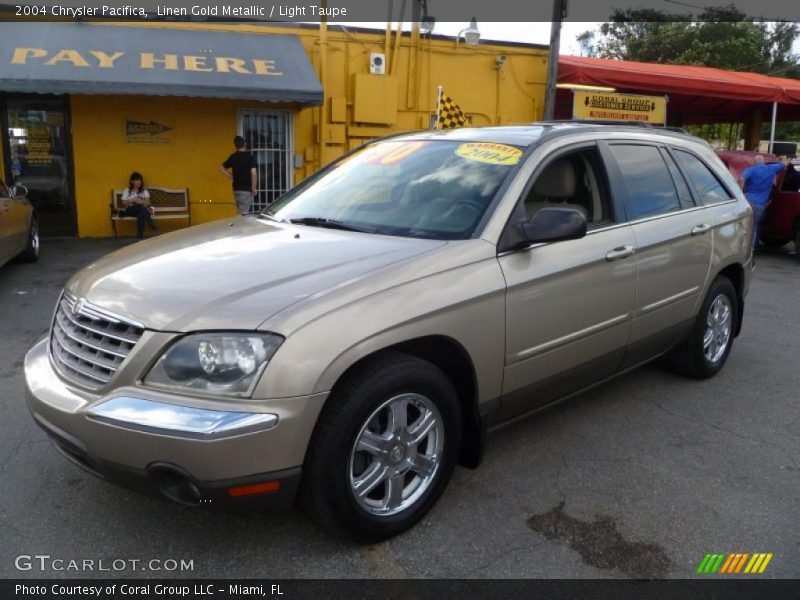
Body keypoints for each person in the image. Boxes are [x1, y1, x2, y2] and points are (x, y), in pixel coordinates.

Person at [738, 155, 790, 249]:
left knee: (746, 226)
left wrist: (741, 194)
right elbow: (785, 163)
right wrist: (780, 159)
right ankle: (752, 248)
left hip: (748, 201)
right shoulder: (771, 168)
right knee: (754, 226)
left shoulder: (751, 170)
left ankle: (744, 248)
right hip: (760, 204)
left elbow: (741, 179)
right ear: (764, 161)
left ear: (754, 162)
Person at [220, 136, 257, 215]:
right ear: (245, 144)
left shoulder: (233, 157)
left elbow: (222, 167)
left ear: (235, 146)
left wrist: (231, 176)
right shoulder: (250, 157)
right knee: (244, 215)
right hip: (246, 190)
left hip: (236, 189)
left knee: (240, 214)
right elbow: (254, 174)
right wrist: (253, 188)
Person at [121, 171, 156, 240]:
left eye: (140, 180)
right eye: (137, 180)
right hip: (130, 210)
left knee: (141, 214)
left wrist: (141, 201)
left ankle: (139, 238)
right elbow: (124, 203)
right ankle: (150, 221)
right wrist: (133, 200)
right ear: (132, 181)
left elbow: (148, 203)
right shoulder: (127, 190)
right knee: (141, 207)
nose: (139, 181)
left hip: (141, 211)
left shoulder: (144, 191)